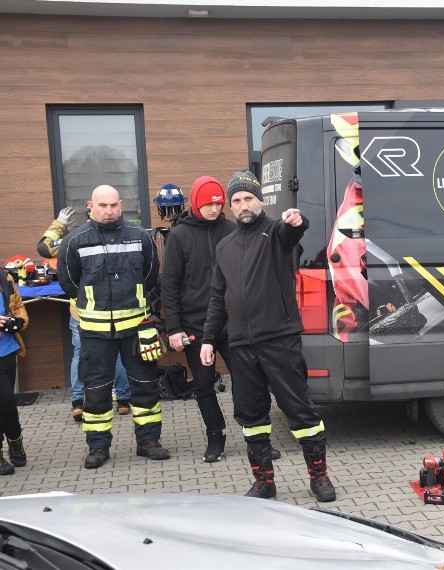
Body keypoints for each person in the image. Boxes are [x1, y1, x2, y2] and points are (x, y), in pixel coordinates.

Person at [201, 171, 336, 501]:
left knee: (301, 412)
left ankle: (319, 477)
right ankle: (264, 481)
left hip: (279, 339)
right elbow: (218, 297)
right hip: (241, 347)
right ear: (230, 206)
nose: (243, 205)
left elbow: (294, 231)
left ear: (260, 200)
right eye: (236, 200)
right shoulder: (225, 247)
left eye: (248, 198)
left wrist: (296, 220)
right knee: (251, 416)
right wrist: (207, 338)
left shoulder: (275, 233)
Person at [57, 185, 170, 469]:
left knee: (144, 386)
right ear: (90, 206)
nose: (109, 211)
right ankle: (98, 447)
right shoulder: (75, 241)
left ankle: (148, 442)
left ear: (121, 205)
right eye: (102, 206)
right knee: (96, 390)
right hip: (95, 332)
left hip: (136, 329)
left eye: (113, 205)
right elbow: (68, 282)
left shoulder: (139, 237)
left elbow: (149, 276)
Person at [161, 175, 236, 462]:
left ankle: (255, 433)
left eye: (218, 204)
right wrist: (174, 328)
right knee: (203, 385)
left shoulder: (232, 230)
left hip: (230, 323)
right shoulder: (179, 235)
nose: (214, 210)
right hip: (194, 325)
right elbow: (169, 285)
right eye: (208, 205)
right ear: (195, 203)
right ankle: (215, 436)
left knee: (245, 381)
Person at [37, 207, 131, 421]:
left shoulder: (75, 239)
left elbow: (45, 247)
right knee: (116, 353)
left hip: (83, 311)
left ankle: (79, 402)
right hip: (114, 308)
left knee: (82, 354)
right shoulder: (120, 236)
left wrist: (59, 225)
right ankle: (122, 400)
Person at [0, 268, 28, 475]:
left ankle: (15, 439)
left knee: (8, 403)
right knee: (4, 398)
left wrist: (19, 322)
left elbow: (17, 306)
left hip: (7, 350)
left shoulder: (4, 276)